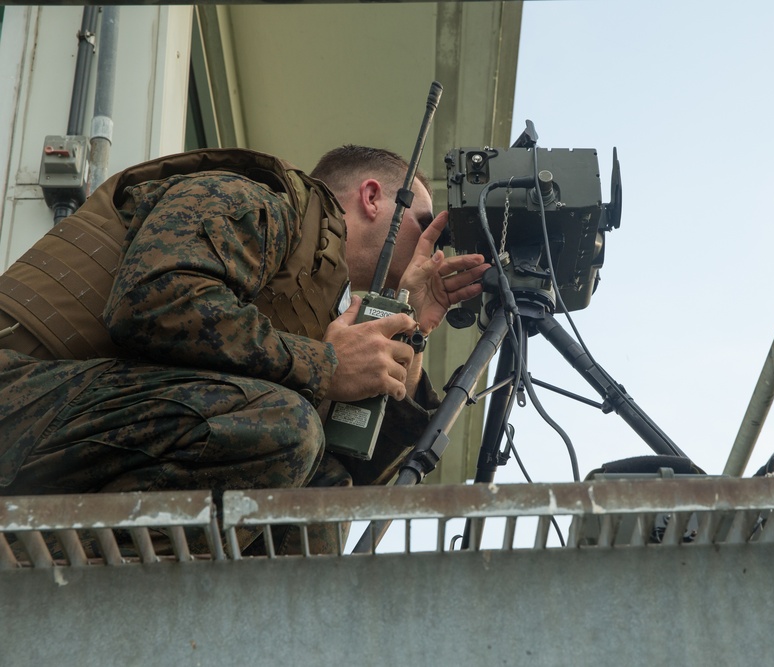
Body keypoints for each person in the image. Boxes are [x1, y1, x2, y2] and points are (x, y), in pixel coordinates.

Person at [0, 144, 488, 550]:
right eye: (426, 222)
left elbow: (354, 481)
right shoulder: (260, 200)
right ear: (374, 197)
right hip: (20, 399)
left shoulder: (323, 306)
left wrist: (409, 327)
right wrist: (325, 364)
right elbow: (154, 300)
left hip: (76, 430)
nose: (434, 245)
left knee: (317, 498)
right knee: (282, 425)